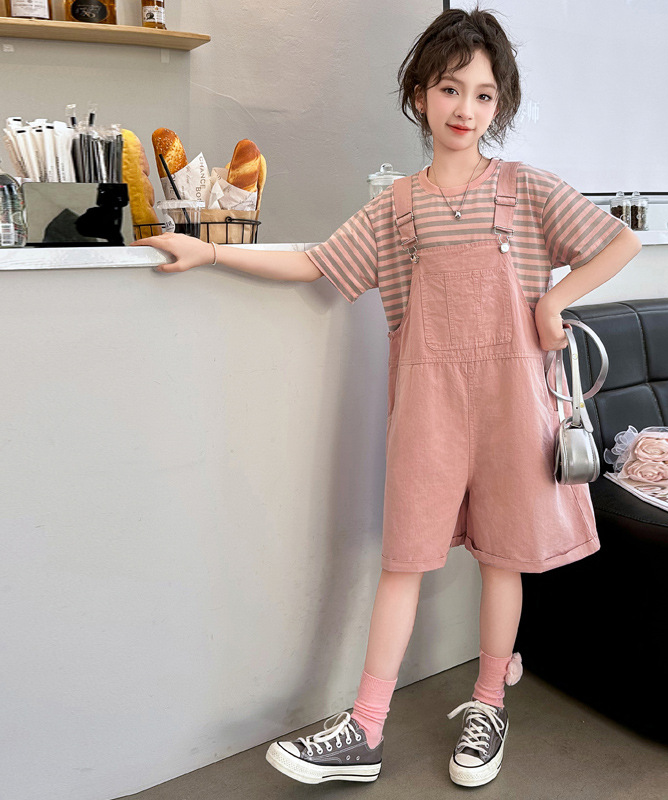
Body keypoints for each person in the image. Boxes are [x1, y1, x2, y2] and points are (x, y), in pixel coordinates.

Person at [131, 5, 642, 789]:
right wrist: (210, 252)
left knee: (503, 558)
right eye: (450, 89)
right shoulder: (396, 206)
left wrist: (552, 302)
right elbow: (315, 263)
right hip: (427, 412)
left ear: (500, 104)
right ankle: (365, 728)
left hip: (515, 406)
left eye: (483, 94)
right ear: (419, 94)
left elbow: (620, 241)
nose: (465, 109)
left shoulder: (527, 189)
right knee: (404, 561)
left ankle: (488, 704)